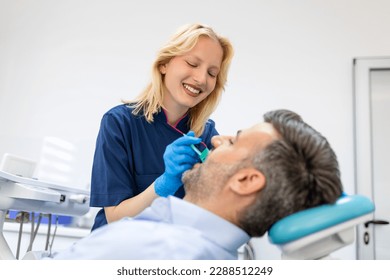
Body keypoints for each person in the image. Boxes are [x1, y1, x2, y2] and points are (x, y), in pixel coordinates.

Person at [52, 109, 343, 260]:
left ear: (246, 180)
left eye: (234, 140)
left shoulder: (151, 248)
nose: (216, 139)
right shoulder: (204, 251)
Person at [90, 23, 234, 231]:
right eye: (192, 63)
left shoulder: (207, 134)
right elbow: (115, 219)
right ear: (164, 64)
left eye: (212, 73)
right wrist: (165, 183)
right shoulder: (119, 123)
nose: (201, 79)